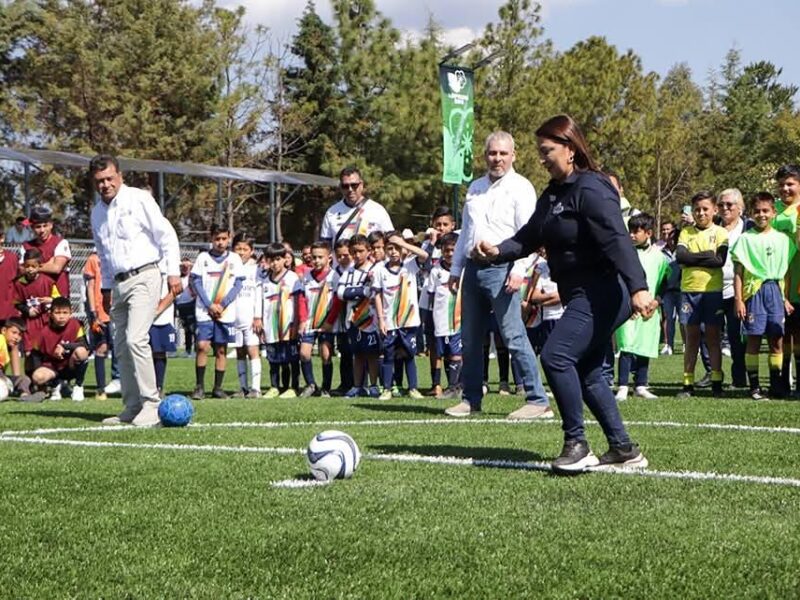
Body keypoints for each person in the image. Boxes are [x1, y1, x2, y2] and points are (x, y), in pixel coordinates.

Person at [472, 114, 654, 472]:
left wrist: (639, 288)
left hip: (604, 291)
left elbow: (618, 240)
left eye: (547, 151)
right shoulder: (554, 194)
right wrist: (498, 250)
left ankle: (577, 443)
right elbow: (529, 236)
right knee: (586, 371)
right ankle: (623, 450)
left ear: (570, 149)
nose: (541, 159)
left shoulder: (592, 188)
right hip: (580, 294)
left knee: (556, 356)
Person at [444, 130, 552, 420]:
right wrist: (456, 269)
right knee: (470, 338)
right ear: (485, 155)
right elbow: (465, 232)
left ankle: (537, 399)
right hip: (473, 268)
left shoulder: (521, 188)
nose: (497, 159)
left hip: (504, 268)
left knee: (514, 335)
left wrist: (519, 270)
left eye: (503, 153)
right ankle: (470, 399)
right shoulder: (475, 188)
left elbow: (528, 235)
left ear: (514, 155)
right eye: (492, 153)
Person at [89, 154, 181, 426]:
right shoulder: (96, 213)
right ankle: (131, 406)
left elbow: (166, 235)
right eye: (100, 181)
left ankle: (152, 404)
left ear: (120, 176)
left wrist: (173, 272)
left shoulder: (139, 199)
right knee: (120, 344)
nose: (106, 185)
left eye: (110, 178)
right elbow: (103, 254)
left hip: (145, 275)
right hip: (117, 283)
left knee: (136, 339)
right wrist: (105, 287)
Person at [733, 192, 797, 400]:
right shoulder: (745, 239)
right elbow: (739, 272)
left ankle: (777, 384)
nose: (761, 215)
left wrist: (785, 297)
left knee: (776, 339)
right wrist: (739, 299)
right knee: (753, 338)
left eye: (765, 211)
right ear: (751, 214)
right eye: (757, 211)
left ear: (773, 212)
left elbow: (786, 272)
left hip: (775, 292)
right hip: (754, 292)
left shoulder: (783, 240)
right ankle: (754, 386)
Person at [676, 191, 729, 398]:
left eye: (705, 209)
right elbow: (680, 256)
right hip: (689, 291)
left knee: (713, 338)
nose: (701, 213)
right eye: (697, 209)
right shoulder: (686, 233)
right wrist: (707, 255)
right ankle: (687, 384)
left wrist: (692, 258)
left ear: (714, 210)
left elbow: (719, 261)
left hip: (712, 292)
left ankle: (716, 381)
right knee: (692, 339)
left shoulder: (721, 233)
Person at [614, 213, 670, 401]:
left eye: (636, 231)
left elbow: (665, 283)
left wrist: (656, 302)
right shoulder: (624, 255)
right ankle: (622, 385)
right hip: (629, 310)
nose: (631, 235)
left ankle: (641, 384)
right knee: (627, 345)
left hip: (650, 310)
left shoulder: (659, 257)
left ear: (648, 233)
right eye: (630, 231)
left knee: (645, 346)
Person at [190, 225, 244, 399]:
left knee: (221, 349)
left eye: (223, 239)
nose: (220, 242)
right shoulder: (203, 258)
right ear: (211, 238)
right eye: (217, 239)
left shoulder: (235, 259)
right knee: (202, 346)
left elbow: (238, 284)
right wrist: (209, 304)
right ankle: (199, 387)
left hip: (225, 311)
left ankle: (218, 388)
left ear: (229, 238)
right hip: (205, 310)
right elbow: (196, 281)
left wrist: (223, 304)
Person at [373, 232, 429, 400]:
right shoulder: (380, 269)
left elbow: (425, 255)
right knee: (389, 355)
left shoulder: (410, 265)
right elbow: (377, 295)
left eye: (397, 248)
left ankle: (413, 388)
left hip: (409, 321)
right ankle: (387, 389)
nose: (394, 252)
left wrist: (403, 243)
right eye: (390, 248)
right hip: (389, 322)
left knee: (409, 354)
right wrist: (381, 319)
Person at [254, 242, 303, 398]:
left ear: (285, 259)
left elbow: (297, 303)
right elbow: (260, 301)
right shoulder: (264, 281)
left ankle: (293, 387)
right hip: (270, 326)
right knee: (273, 358)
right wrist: (259, 319)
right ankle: (275, 386)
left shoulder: (292, 277)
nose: (274, 263)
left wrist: (296, 323)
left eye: (277, 259)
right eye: (271, 260)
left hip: (287, 326)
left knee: (290, 357)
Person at [334, 234, 381, 398]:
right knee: (358, 353)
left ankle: (374, 385)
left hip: (371, 320)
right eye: (353, 252)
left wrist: (355, 292)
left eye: (360, 251)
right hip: (353, 319)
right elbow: (340, 293)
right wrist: (362, 292)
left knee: (372, 353)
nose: (357, 255)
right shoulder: (349, 271)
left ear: (369, 251)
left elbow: (374, 292)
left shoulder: (375, 269)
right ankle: (357, 385)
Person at [419, 206, 457, 397]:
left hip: (450, 304)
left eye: (445, 224)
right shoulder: (429, 246)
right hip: (429, 301)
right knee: (434, 344)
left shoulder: (457, 244)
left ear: (453, 225)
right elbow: (423, 266)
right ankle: (436, 384)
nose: (441, 228)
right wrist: (432, 244)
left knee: (453, 344)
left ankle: (454, 383)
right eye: (438, 224)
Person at [717, 189, 750, 387]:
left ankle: (739, 378)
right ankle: (713, 374)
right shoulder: (711, 228)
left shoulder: (749, 227)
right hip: (713, 289)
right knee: (707, 335)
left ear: (740, 208)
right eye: (721, 205)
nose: (725, 208)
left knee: (737, 337)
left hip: (739, 291)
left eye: (729, 204)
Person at [772, 164, 800, 395]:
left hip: (798, 278)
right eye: (781, 184)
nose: (785, 188)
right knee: (781, 333)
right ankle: (781, 380)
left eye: (790, 183)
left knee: (798, 333)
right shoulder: (772, 210)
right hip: (778, 280)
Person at [29, 297, 89, 401]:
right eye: (57, 313)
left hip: (70, 365)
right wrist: (40, 384)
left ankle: (78, 386)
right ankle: (55, 385)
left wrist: (64, 346)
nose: (61, 316)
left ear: (71, 313)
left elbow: (84, 345)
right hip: (52, 367)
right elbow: (35, 354)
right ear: (51, 314)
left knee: (81, 352)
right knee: (37, 377)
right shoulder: (43, 332)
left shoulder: (76, 325)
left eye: (65, 313)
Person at [320, 167, 394, 251]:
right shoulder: (331, 212)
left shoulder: (377, 210)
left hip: (371, 263)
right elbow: (325, 247)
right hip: (340, 263)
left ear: (361, 185)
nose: (350, 189)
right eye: (345, 186)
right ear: (340, 187)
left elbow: (391, 241)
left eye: (354, 185)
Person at [426, 232, 463, 398]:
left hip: (457, 319)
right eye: (446, 250)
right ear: (441, 251)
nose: (449, 253)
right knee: (442, 353)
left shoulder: (463, 270)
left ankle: (455, 386)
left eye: (453, 250)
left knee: (456, 353)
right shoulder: (435, 272)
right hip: (440, 320)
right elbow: (432, 296)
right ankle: (444, 385)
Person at [298, 241, 336, 398]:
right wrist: (302, 319)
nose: (317, 261)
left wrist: (330, 321)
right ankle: (311, 384)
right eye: (314, 257)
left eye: (321, 257)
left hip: (326, 323)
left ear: (329, 258)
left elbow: (338, 301)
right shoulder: (306, 277)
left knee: (326, 354)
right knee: (304, 353)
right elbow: (301, 299)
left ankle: (326, 388)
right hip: (309, 322)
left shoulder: (335, 276)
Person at [83, 250, 120, 400]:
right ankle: (100, 388)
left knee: (120, 346)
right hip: (100, 312)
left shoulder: (119, 256)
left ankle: (119, 380)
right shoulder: (93, 259)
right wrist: (93, 313)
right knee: (101, 348)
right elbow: (90, 287)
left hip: (118, 310)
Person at [12, 248, 58, 360]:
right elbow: (17, 303)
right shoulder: (20, 283)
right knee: (29, 352)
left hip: (45, 320)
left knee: (46, 351)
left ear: (39, 266)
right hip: (29, 323)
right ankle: (30, 375)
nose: (30, 269)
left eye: (33, 266)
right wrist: (27, 310)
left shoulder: (48, 282)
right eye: (27, 266)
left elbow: (59, 300)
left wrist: (51, 300)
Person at [231, 233, 262, 398]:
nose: (241, 252)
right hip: (234, 318)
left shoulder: (256, 269)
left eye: (245, 249)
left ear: (252, 251)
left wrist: (257, 316)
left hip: (250, 318)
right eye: (238, 249)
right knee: (239, 351)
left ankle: (255, 388)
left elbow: (258, 294)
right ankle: (242, 387)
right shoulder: (229, 267)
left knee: (253, 350)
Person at [23, 205, 71, 297]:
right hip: (34, 295)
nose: (42, 230)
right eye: (38, 227)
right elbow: (21, 269)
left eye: (45, 226)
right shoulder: (26, 246)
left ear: (51, 225)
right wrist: (49, 264)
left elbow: (56, 268)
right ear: (32, 228)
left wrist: (31, 267)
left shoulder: (61, 243)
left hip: (57, 296)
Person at [0, 318, 46, 402]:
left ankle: (25, 396)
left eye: (20, 335)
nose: (17, 337)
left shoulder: (9, 346)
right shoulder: (0, 340)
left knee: (24, 379)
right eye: (14, 333)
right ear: (3, 330)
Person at [149, 263, 177, 398]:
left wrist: (158, 309)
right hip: (143, 312)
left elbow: (176, 289)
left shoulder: (167, 263)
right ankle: (145, 387)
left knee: (159, 352)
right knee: (143, 352)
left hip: (162, 316)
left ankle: (158, 386)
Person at [658, 221, 681, 355]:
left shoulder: (682, 247)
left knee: (684, 319)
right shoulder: (660, 249)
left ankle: (686, 344)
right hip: (667, 290)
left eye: (669, 230)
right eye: (664, 230)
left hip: (682, 289)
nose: (666, 233)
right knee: (667, 317)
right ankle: (668, 345)